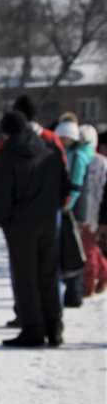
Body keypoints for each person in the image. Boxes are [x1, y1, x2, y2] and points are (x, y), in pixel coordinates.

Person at [0, 111, 67, 347]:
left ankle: (33, 329)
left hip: (21, 225)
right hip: (47, 221)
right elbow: (64, 185)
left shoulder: (8, 155)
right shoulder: (48, 151)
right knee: (48, 275)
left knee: (25, 278)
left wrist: (4, 221)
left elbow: (0, 194)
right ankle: (54, 327)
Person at [56, 115, 94, 308]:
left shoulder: (77, 156)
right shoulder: (71, 152)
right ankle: (73, 292)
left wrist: (66, 206)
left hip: (75, 210)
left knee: (74, 253)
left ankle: (75, 293)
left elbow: (76, 186)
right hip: (70, 208)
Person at [76, 124, 106, 296]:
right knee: (91, 248)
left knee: (89, 249)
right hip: (84, 212)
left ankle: (90, 281)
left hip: (92, 214)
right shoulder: (79, 158)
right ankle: (102, 273)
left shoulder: (100, 162)